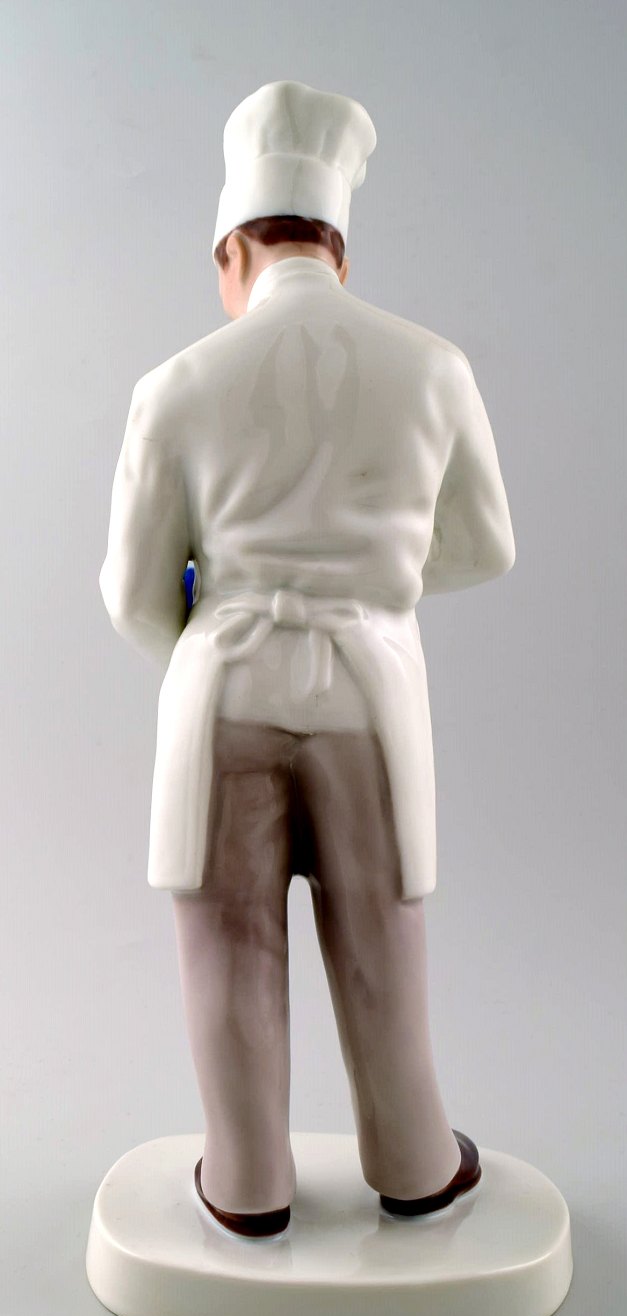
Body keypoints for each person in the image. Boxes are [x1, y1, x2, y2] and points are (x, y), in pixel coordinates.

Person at [99, 81, 515, 1239]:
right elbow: (487, 545)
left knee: (228, 945)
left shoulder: (175, 385)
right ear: (339, 246)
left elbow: (132, 593)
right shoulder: (433, 367)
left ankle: (246, 1183)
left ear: (232, 250)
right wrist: (374, 590)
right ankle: (416, 1161)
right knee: (381, 935)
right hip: (368, 696)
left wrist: (202, 643)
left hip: (227, 690)